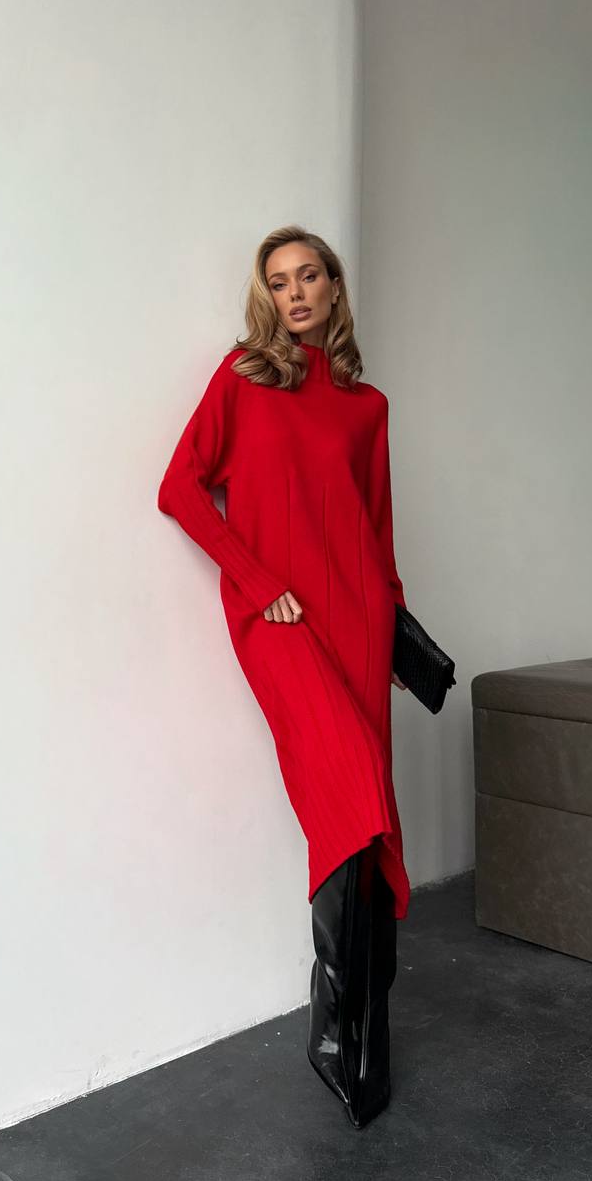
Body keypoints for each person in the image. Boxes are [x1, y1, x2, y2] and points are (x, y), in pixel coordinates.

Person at [156, 224, 410, 1128]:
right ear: (266, 298)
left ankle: (365, 1023)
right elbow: (180, 488)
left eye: (310, 277)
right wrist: (261, 585)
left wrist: (398, 624)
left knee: (369, 808)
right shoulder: (244, 380)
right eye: (278, 282)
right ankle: (334, 1021)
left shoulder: (367, 406)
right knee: (348, 792)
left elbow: (378, 534)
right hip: (282, 619)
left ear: (335, 289)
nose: (295, 293)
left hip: (360, 622)